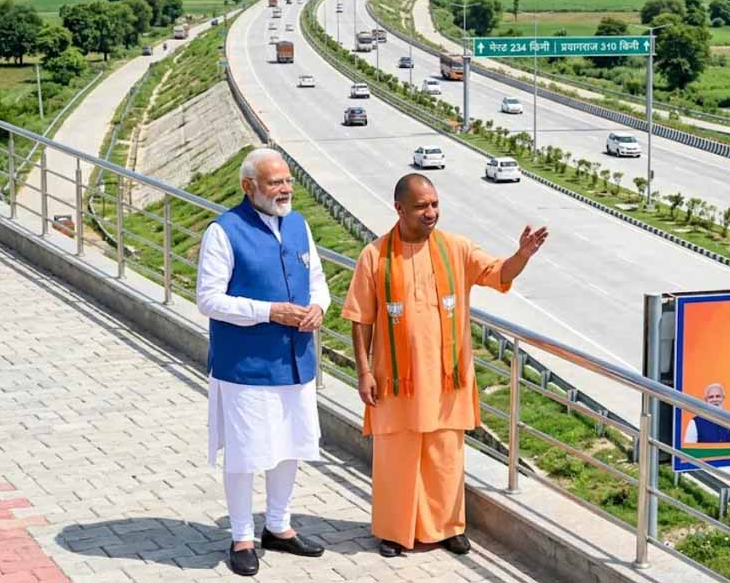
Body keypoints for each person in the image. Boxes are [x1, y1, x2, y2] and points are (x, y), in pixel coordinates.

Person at [342, 174, 548, 558]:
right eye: (422, 206)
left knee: (445, 458)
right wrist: (364, 372)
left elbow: (499, 273)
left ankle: (448, 528)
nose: (431, 212)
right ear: (399, 209)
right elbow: (360, 318)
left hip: (446, 379)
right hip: (396, 381)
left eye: (435, 204)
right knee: (396, 459)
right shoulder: (375, 255)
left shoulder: (456, 249)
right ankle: (394, 532)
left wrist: (522, 255)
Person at [197, 148, 329, 576]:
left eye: (287, 181)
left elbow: (317, 280)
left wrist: (319, 308)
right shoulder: (223, 231)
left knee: (291, 445)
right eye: (275, 183)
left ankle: (278, 525)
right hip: (246, 366)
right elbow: (208, 299)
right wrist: (269, 312)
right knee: (246, 452)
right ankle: (241, 536)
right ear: (248, 186)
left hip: (296, 361)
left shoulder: (299, 225)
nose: (285, 189)